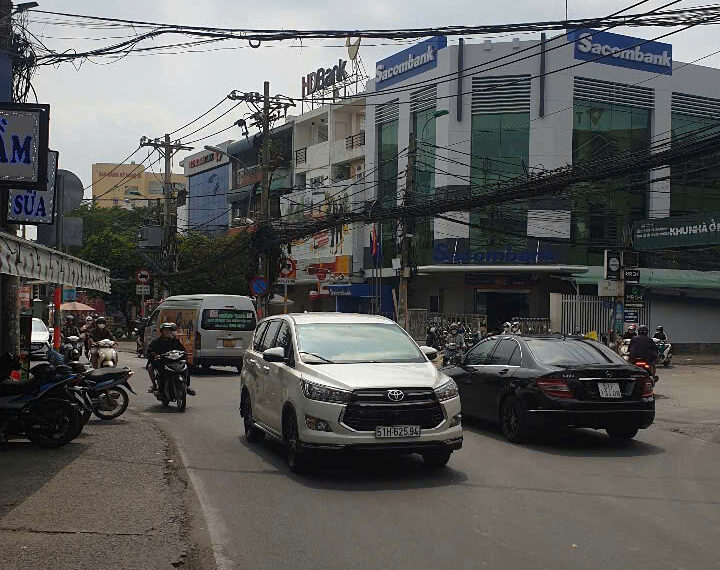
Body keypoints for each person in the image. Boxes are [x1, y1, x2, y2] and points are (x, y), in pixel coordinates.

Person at [147, 322, 196, 396]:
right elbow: (150, 351)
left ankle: (187, 386)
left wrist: (184, 353)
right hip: (162, 361)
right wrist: (155, 355)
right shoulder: (156, 342)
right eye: (165, 330)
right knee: (151, 367)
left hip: (175, 361)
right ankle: (155, 385)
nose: (167, 332)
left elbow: (182, 349)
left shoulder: (175, 341)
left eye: (169, 330)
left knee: (186, 367)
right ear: (162, 331)